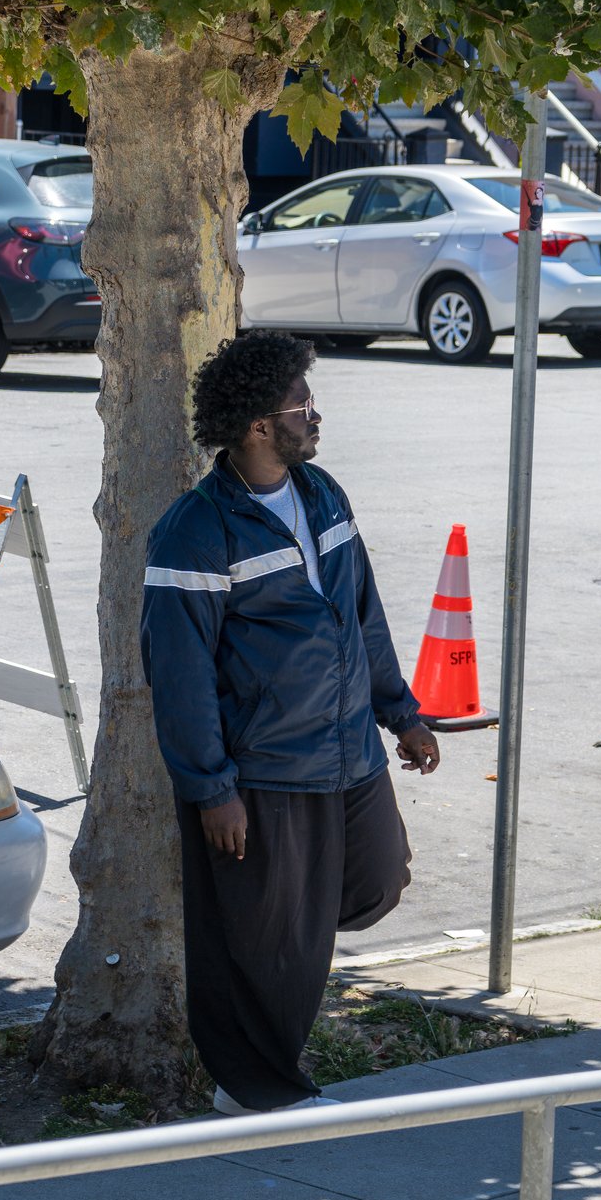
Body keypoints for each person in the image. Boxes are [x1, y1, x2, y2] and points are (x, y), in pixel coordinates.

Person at [141, 332, 440, 1114]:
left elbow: (360, 612)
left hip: (349, 753)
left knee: (379, 875)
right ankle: (253, 1087)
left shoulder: (324, 494)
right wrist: (212, 790)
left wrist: (400, 713)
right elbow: (178, 677)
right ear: (257, 428)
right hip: (265, 769)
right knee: (275, 946)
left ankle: (283, 956)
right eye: (299, 403)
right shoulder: (196, 530)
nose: (315, 413)